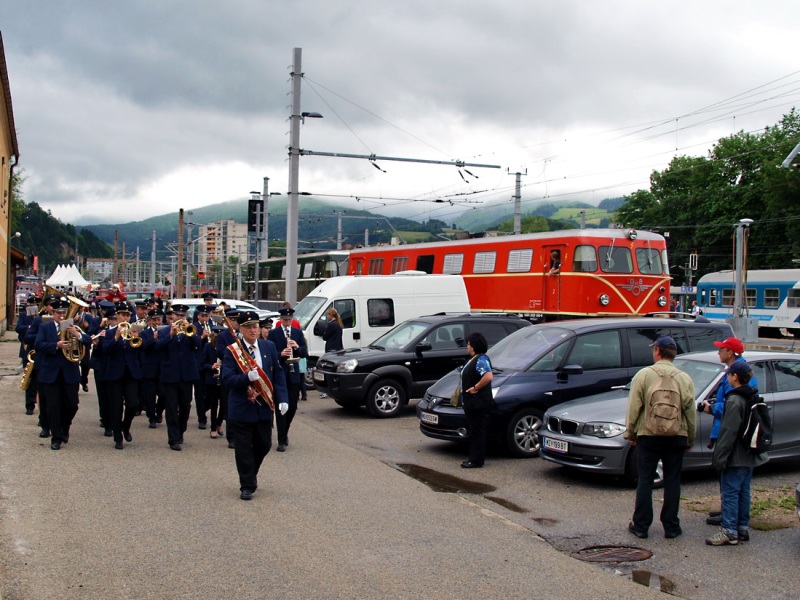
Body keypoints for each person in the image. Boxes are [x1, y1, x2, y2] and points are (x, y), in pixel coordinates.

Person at [624, 336, 695, 539]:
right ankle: (671, 526)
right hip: (677, 435)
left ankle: (641, 526)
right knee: (673, 480)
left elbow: (634, 407)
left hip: (649, 434)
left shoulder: (644, 375)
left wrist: (631, 432)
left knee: (645, 480)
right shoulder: (684, 378)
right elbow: (690, 411)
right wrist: (689, 437)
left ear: (656, 351)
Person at [221, 310, 288, 500]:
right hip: (241, 407)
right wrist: (246, 378)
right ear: (240, 329)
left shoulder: (269, 347)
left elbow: (278, 374)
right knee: (243, 448)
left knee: (264, 444)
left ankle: (250, 473)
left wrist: (282, 398)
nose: (253, 330)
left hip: (263, 407)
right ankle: (246, 485)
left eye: (255, 326)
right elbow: (227, 379)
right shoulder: (232, 351)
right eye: (248, 327)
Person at [705, 361, 768, 546]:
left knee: (730, 493)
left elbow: (729, 431)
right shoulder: (753, 396)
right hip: (750, 452)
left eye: (729, 375)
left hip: (735, 455)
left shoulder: (734, 400)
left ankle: (729, 531)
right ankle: (742, 527)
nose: (727, 377)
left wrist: (720, 457)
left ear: (735, 377)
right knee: (744, 491)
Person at [34, 297, 91, 450]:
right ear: (53, 313)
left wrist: (77, 334)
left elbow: (88, 341)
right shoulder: (45, 328)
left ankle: (65, 427)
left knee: (72, 405)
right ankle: (56, 438)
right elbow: (38, 345)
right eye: (58, 313)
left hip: (69, 373)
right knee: (53, 407)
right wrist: (56, 345)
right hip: (51, 373)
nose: (61, 316)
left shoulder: (73, 326)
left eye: (64, 313)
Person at [156, 304, 201, 451]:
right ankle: (173, 439)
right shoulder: (164, 331)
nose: (180, 318)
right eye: (177, 315)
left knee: (185, 406)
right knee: (171, 407)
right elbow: (158, 347)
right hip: (170, 375)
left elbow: (198, 345)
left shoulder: (191, 329)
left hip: (187, 375)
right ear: (172, 316)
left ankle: (181, 429)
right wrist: (171, 335)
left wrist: (191, 332)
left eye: (183, 315)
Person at [267, 306, 307, 451]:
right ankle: (281, 440)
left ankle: (285, 432)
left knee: (292, 407)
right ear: (281, 319)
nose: (287, 322)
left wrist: (296, 347)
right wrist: (281, 354)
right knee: (280, 407)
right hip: (280, 375)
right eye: (285, 320)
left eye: (290, 320)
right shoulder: (274, 333)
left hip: (293, 374)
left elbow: (304, 353)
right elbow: (270, 355)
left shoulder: (297, 333)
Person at [459, 332, 494, 469]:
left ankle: (476, 460)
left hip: (478, 403)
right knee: (473, 430)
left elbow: (488, 376)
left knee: (477, 431)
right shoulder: (472, 359)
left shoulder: (481, 359)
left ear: (473, 345)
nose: (467, 346)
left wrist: (476, 388)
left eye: (468, 344)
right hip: (471, 403)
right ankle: (473, 457)